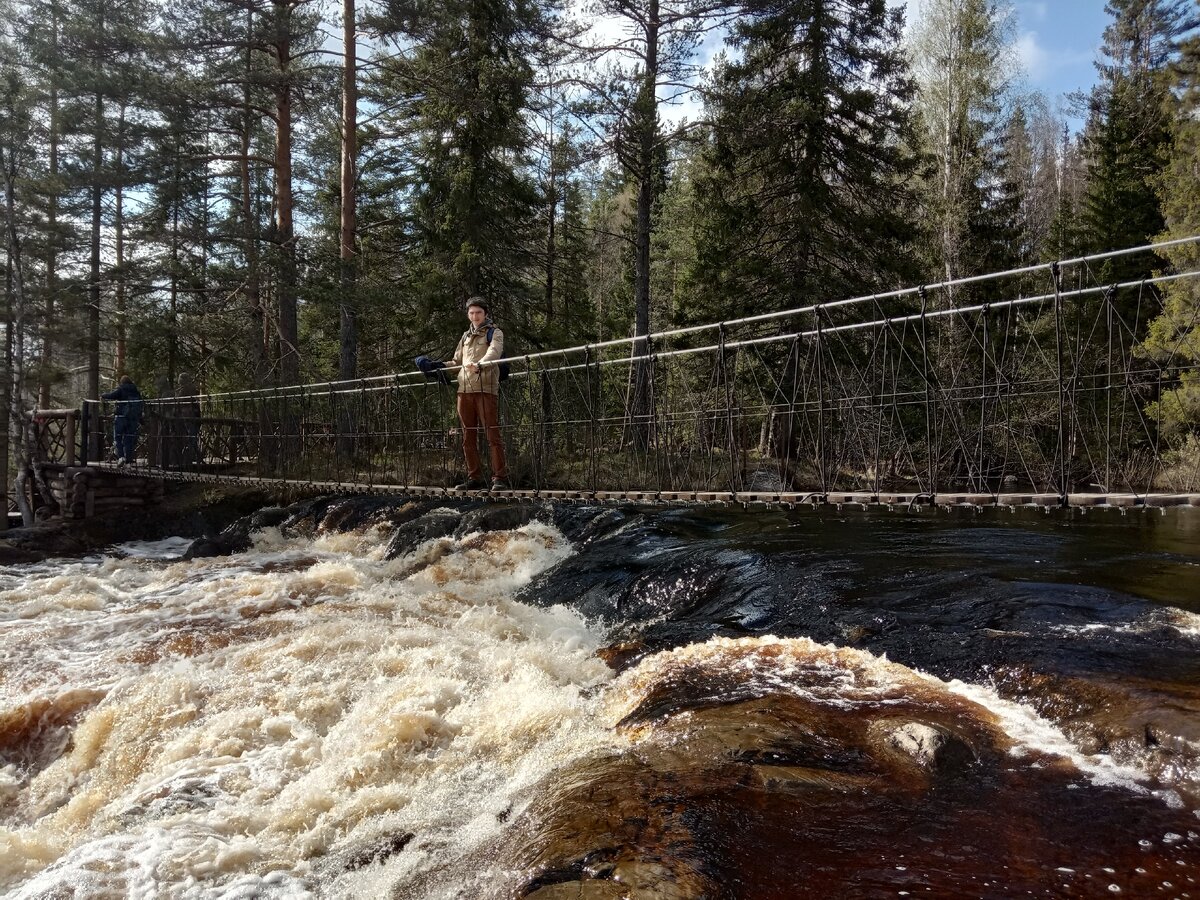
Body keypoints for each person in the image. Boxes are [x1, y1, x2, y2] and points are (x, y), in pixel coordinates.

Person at [452, 297, 509, 491]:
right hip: (464, 390)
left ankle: (499, 478)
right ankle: (474, 477)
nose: (475, 316)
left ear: (485, 314)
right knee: (468, 437)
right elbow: (456, 361)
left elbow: (495, 352)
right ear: (468, 315)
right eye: (471, 313)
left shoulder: (494, 332)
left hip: (485, 389)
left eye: (478, 312)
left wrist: (480, 364)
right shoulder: (465, 337)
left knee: (492, 435)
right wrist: (435, 366)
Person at [101, 375, 143, 467]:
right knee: (129, 439)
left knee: (118, 437)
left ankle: (121, 457)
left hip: (121, 417)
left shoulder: (121, 389)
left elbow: (111, 396)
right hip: (132, 419)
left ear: (122, 382)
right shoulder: (136, 391)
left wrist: (103, 395)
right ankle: (128, 460)